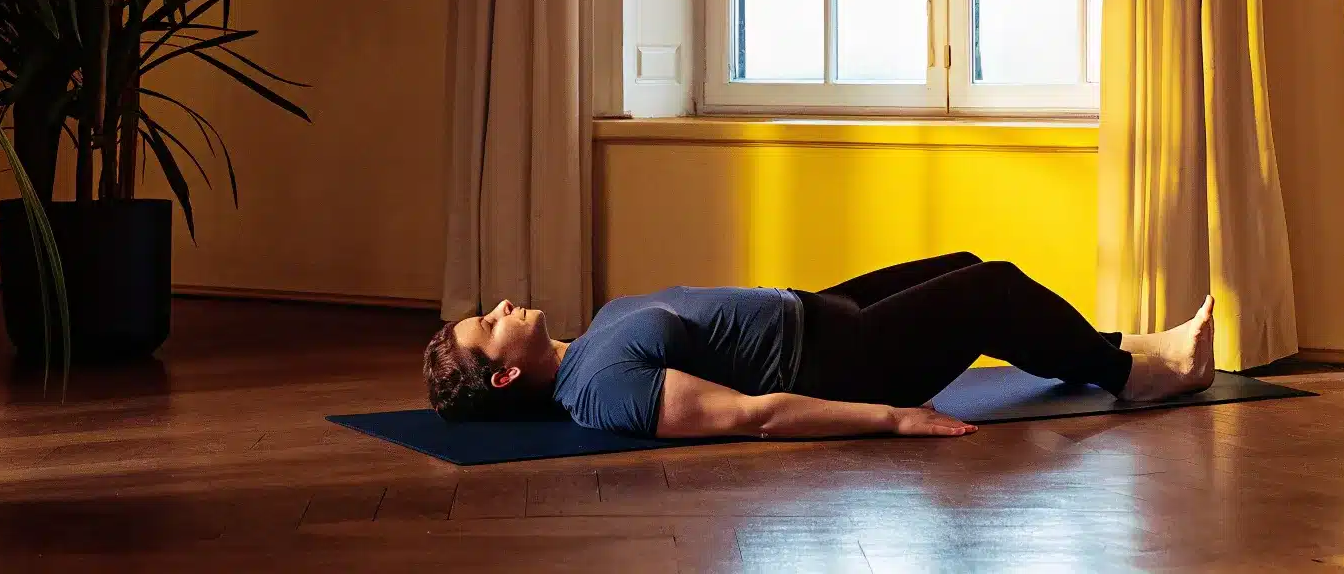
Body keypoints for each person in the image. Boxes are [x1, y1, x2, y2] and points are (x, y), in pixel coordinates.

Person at [423, 252, 1216, 440]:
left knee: (967, 267)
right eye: (489, 326)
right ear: (506, 376)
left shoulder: (593, 335)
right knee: (994, 289)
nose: (499, 307)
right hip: (843, 359)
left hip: (821, 309)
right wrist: (892, 420)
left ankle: (1118, 347)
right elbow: (744, 415)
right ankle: (1136, 377)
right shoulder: (597, 391)